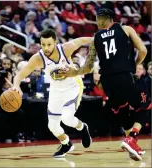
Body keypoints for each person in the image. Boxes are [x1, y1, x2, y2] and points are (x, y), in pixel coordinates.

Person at [60, 8, 152, 161]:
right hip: (124, 76)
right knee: (145, 105)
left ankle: (132, 146)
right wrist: (134, 64)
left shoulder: (96, 37)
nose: (96, 22)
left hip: (107, 82)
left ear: (108, 18)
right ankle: (132, 138)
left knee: (123, 111)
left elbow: (88, 67)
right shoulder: (126, 29)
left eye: (98, 19)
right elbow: (143, 50)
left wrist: (73, 73)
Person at [12, 28, 92, 157]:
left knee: (66, 118)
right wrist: (16, 85)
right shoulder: (38, 58)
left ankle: (82, 127)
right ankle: (66, 143)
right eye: (43, 45)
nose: (46, 48)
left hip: (72, 86)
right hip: (56, 90)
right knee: (52, 125)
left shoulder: (66, 48)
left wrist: (100, 38)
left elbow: (83, 40)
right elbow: (20, 75)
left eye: (49, 44)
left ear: (55, 42)